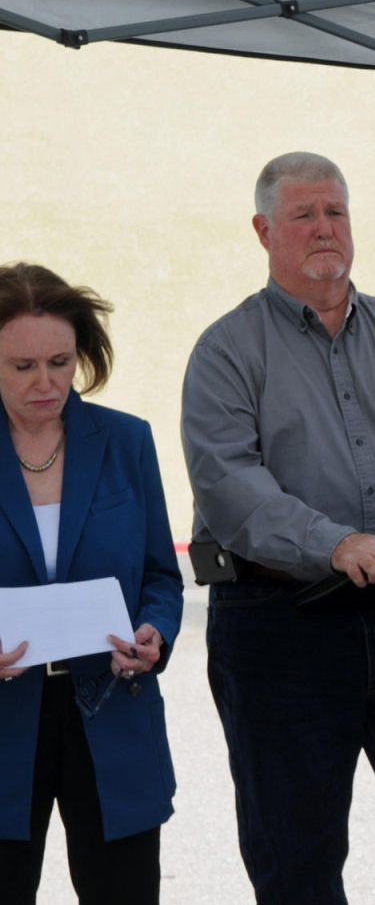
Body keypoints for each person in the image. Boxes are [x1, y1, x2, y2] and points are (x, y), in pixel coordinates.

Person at [180, 153, 375, 904]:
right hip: (281, 626)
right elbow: (231, 486)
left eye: (336, 212)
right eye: (304, 215)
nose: (325, 228)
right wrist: (331, 541)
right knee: (297, 859)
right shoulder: (226, 351)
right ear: (264, 231)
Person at [0, 263, 183, 905]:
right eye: (22, 367)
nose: (45, 382)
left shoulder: (128, 442)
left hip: (113, 716)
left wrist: (155, 630)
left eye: (59, 361)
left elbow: (162, 574)